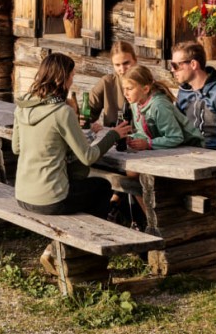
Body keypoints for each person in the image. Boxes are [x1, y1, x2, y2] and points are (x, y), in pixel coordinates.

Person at [11, 52, 132, 277]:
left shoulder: (23, 106)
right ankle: (84, 255)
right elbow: (88, 157)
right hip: (51, 197)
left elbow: (16, 148)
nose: (72, 81)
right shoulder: (62, 112)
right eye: (72, 76)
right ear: (62, 79)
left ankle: (60, 248)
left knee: (82, 186)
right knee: (102, 188)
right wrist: (113, 135)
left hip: (23, 195)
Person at [170, 40, 216, 153]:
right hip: (188, 154)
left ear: (193, 64)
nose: (172, 70)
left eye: (175, 65)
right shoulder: (184, 92)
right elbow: (178, 130)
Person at [122, 65, 204, 152]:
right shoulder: (135, 104)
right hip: (168, 149)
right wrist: (132, 138)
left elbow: (175, 137)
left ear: (145, 89)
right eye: (124, 89)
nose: (125, 93)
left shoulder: (159, 106)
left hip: (193, 147)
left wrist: (149, 144)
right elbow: (144, 134)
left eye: (129, 89)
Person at [86, 39, 138, 127]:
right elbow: (88, 110)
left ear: (135, 60)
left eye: (126, 63)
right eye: (117, 65)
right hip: (113, 133)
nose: (122, 69)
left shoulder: (146, 84)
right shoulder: (107, 82)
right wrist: (86, 121)